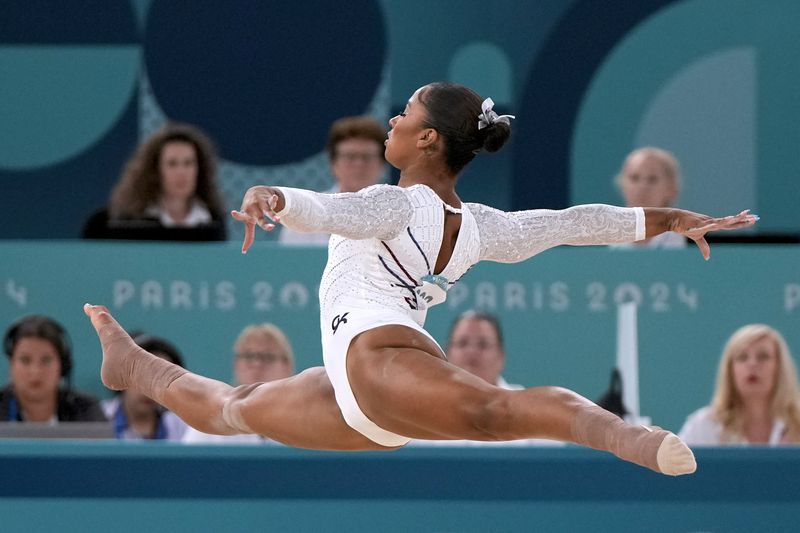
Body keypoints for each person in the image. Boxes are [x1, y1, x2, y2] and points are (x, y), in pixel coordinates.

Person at [84, 82, 757, 477]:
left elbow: (333, 208)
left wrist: (275, 197)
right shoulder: (484, 225)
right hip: (361, 403)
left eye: (406, 111)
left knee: (501, 412)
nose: (395, 120)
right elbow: (571, 222)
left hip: (383, 365)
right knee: (230, 408)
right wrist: (664, 218)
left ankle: (630, 438)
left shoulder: (396, 202)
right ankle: (136, 366)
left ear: (431, 140)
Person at [411, 310, 561, 447]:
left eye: (483, 344)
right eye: (462, 343)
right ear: (446, 355)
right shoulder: (421, 414)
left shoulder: (530, 411)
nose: (472, 352)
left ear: (500, 357)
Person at [82, 122, 227, 241]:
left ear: (199, 170)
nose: (181, 172)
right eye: (172, 164)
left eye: (188, 163)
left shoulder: (212, 221)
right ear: (155, 171)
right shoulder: (123, 221)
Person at [679, 324, 800, 445]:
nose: (752, 364)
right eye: (742, 357)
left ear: (780, 368)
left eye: (763, 357)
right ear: (730, 370)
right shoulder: (704, 426)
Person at [279, 116, 386, 245]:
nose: (359, 164)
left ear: (382, 164)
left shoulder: (397, 215)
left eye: (367, 157)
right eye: (350, 157)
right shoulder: (302, 216)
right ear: (333, 163)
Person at [182, 323, 295, 444]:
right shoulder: (211, 419)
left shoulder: (302, 418)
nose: (256, 363)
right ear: (236, 365)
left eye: (267, 356)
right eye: (248, 356)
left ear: (286, 366)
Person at [1, 315, 106, 423]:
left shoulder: (86, 410)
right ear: (11, 363)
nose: (35, 371)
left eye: (46, 360)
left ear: (62, 365)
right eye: (25, 360)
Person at [101, 333, 188, 441]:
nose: (149, 389)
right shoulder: (95, 416)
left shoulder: (185, 428)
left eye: (161, 380)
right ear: (121, 376)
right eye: (142, 377)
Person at [614, 147, 686, 249]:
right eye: (634, 178)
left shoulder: (688, 241)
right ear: (622, 185)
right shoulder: (606, 236)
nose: (642, 187)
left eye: (652, 179)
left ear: (671, 188)